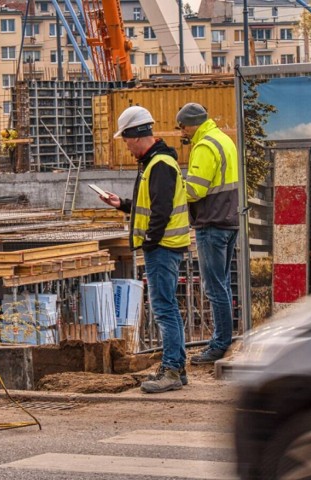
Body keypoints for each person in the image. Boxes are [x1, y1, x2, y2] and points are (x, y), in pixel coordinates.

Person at [98, 106, 191, 393]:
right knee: (168, 308)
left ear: (135, 136)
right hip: (162, 246)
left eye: (125, 141)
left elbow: (161, 210)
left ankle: (172, 370)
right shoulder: (154, 163)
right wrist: (123, 204)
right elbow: (148, 205)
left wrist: (150, 242)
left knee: (164, 309)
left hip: (162, 247)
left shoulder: (159, 164)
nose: (126, 147)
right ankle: (177, 366)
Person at [176, 103, 239, 365]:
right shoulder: (223, 139)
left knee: (214, 287)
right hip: (229, 220)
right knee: (222, 284)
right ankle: (224, 338)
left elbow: (195, 191)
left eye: (182, 127)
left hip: (212, 224)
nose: (182, 133)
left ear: (191, 124)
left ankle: (220, 343)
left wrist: (173, 186)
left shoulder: (203, 146)